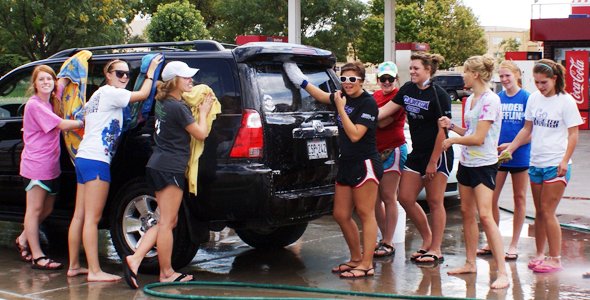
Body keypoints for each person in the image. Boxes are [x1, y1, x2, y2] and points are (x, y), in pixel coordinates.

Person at [283, 61, 382, 278]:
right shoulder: (340, 96)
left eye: (352, 79)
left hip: (364, 163)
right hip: (345, 162)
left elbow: (355, 134)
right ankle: (355, 258)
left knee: (365, 214)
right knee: (340, 214)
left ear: (362, 81)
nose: (347, 83)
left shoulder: (368, 103)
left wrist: (340, 108)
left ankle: (367, 264)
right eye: (344, 79)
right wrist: (300, 80)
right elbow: (320, 95)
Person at [69, 56, 162, 282]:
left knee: (79, 215)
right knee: (92, 218)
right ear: (108, 75)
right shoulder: (111, 93)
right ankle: (94, 271)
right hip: (97, 160)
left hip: (84, 158)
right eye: (119, 73)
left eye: (127, 74)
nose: (124, 77)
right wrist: (150, 73)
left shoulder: (96, 96)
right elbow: (141, 95)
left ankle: (73, 266)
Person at [123, 61, 214, 288]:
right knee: (166, 223)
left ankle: (135, 258)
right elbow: (201, 134)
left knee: (167, 220)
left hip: (157, 164)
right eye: (186, 78)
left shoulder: (162, 102)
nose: (190, 81)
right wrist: (203, 111)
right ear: (174, 80)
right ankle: (166, 273)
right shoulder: (177, 107)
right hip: (170, 167)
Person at [503, 59, 583, 273]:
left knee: (548, 211)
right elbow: (526, 129)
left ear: (555, 79)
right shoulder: (534, 99)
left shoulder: (566, 101)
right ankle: (540, 254)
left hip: (556, 164)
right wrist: (510, 148)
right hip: (536, 162)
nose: (540, 86)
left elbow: (573, 134)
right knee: (538, 211)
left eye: (544, 82)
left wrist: (565, 159)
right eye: (537, 82)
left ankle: (555, 258)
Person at [438, 55, 510, 289]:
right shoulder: (470, 100)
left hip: (484, 164)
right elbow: (469, 131)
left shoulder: (491, 100)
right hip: (467, 164)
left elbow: (478, 138)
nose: (463, 75)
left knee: (486, 217)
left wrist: (452, 141)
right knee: (467, 213)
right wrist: (451, 127)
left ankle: (503, 272)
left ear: (476, 74)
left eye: (466, 71)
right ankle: (470, 262)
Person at [378, 52, 453, 264]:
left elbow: (443, 131)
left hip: (438, 154)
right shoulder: (408, 89)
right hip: (417, 152)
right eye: (410, 68)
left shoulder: (439, 95)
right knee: (405, 197)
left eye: (416, 68)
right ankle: (427, 239)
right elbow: (385, 111)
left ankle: (436, 248)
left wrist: (433, 162)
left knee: (435, 200)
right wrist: (358, 115)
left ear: (428, 70)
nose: (411, 72)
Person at [17, 65, 84, 270]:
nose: (46, 82)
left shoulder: (51, 101)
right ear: (34, 84)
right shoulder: (35, 105)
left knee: (47, 208)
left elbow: (62, 84)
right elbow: (61, 125)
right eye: (41, 80)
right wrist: (85, 121)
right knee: (35, 210)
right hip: (36, 165)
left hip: (51, 165)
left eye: (49, 79)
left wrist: (77, 63)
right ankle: (37, 256)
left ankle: (22, 238)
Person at [477, 61, 531, 260]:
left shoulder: (527, 98)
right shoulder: (497, 98)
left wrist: (511, 145)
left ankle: (514, 244)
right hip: (497, 157)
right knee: (491, 199)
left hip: (520, 155)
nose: (504, 79)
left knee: (519, 198)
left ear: (517, 75)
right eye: (501, 76)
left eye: (508, 75)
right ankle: (494, 241)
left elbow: (532, 132)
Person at [372, 61, 407, 257]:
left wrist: (365, 119)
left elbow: (384, 122)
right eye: (383, 79)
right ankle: (384, 238)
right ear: (378, 80)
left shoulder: (399, 97)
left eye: (390, 79)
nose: (386, 82)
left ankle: (388, 240)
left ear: (396, 79)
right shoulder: (375, 96)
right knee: (375, 199)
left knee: (388, 196)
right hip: (374, 152)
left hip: (393, 150)